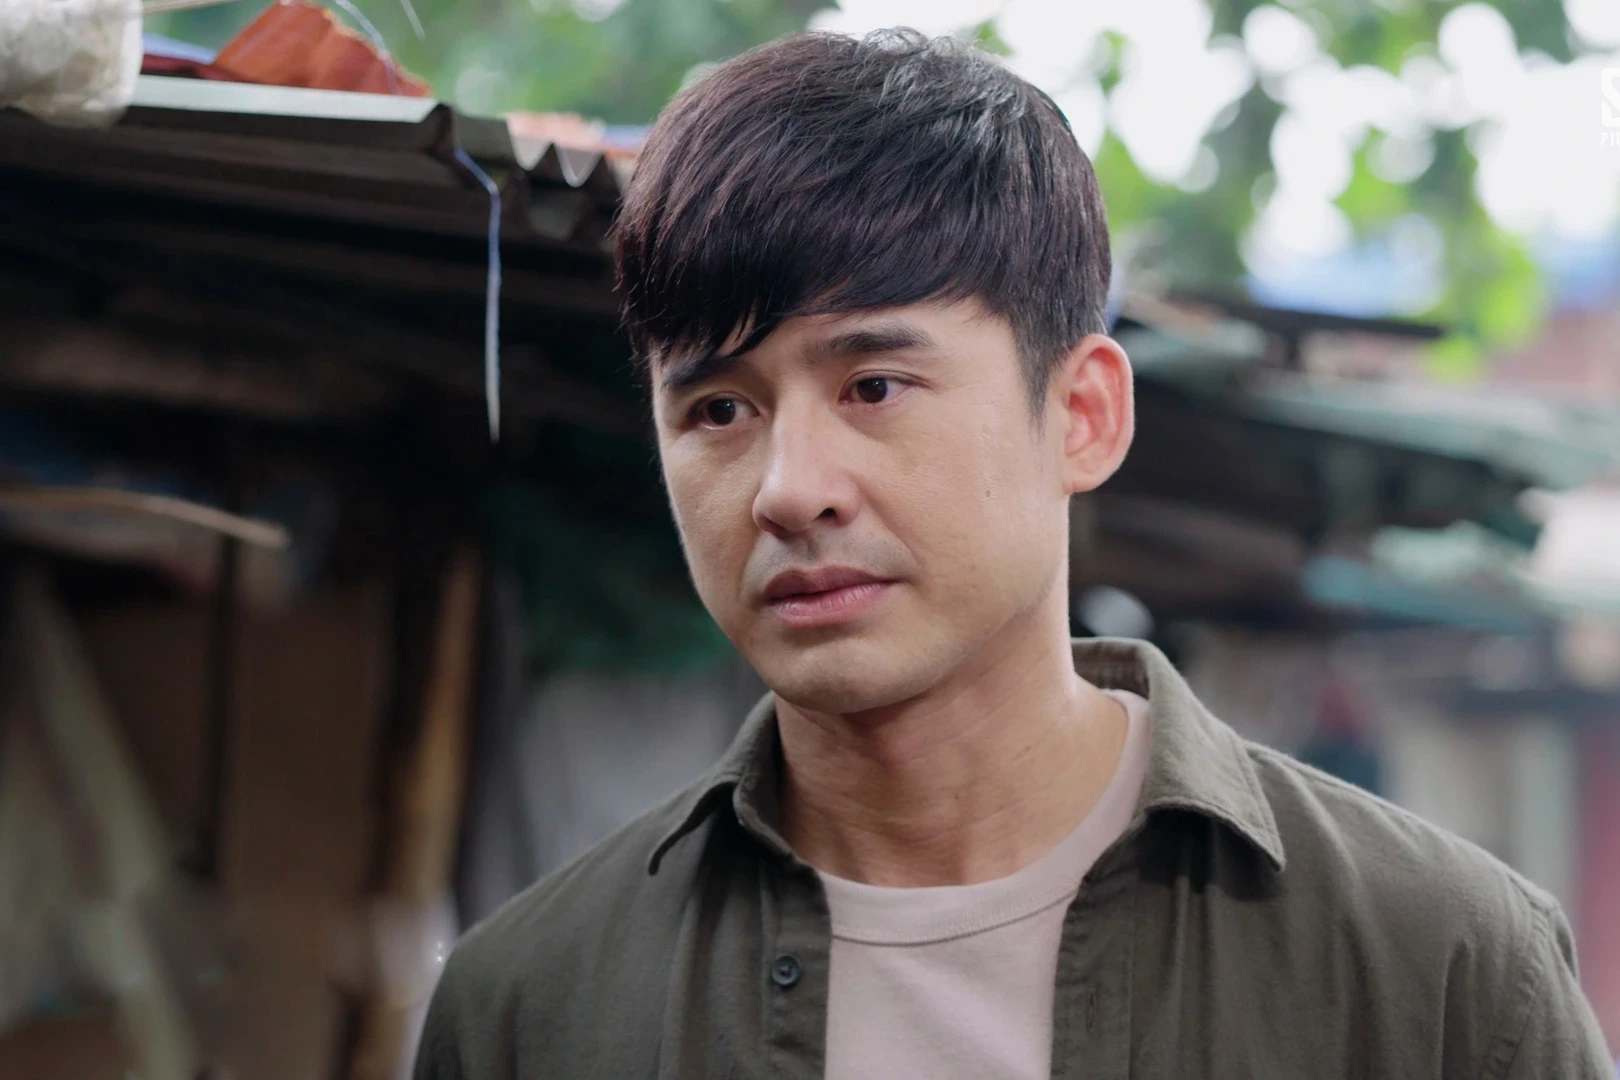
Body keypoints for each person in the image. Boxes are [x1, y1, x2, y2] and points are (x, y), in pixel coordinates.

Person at [414, 29, 1613, 1079]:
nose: (789, 490)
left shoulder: (1437, 969)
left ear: (1082, 416)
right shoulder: (530, 1006)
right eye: (719, 409)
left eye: (875, 385)